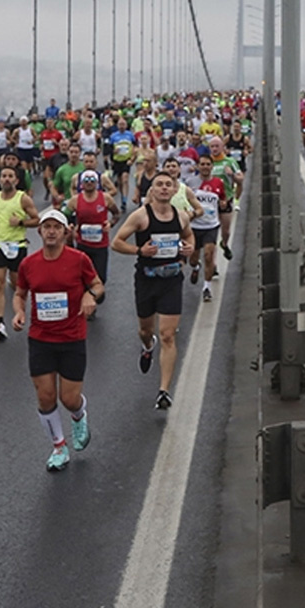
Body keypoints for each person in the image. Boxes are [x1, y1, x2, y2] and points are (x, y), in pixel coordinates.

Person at [12, 210, 105, 471]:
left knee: (69, 398)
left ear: (66, 232)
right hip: (40, 339)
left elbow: (98, 285)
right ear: (39, 232)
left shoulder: (79, 260)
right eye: (46, 227)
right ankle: (58, 447)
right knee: (45, 396)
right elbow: (20, 293)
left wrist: (90, 296)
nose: (51, 231)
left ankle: (78, 415)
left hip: (72, 338)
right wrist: (19, 311)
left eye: (56, 227)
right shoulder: (28, 264)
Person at [111, 171, 196, 409]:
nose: (164, 188)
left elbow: (188, 236)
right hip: (146, 280)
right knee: (145, 330)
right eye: (159, 184)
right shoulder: (141, 216)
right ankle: (148, 345)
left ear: (175, 188)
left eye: (168, 184)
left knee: (168, 335)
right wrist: (139, 252)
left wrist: (188, 250)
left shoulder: (181, 216)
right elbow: (116, 242)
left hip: (171, 280)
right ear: (152, 189)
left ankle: (163, 391)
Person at [0, 167, 40, 341]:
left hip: (18, 245)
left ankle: (20, 312)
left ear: (16, 180)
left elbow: (37, 220)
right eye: (3, 176)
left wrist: (20, 222)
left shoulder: (23, 198)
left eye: (10, 176)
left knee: (17, 285)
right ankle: (0, 324)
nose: (6, 179)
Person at [64, 168, 120, 298]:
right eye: (86, 181)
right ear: (81, 184)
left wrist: (110, 223)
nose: (89, 183)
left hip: (101, 244)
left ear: (97, 183)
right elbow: (65, 217)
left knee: (101, 277)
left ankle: (95, 296)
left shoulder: (105, 198)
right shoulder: (75, 200)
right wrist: (72, 226)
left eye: (92, 180)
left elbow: (116, 214)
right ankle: (89, 302)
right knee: (83, 276)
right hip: (83, 244)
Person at [187, 154, 228, 302]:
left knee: (209, 256)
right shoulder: (191, 182)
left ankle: (206, 287)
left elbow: (223, 198)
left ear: (212, 166)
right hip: (194, 226)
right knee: (193, 259)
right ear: (198, 166)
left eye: (207, 164)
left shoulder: (218, 182)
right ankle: (196, 267)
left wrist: (223, 203)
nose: (205, 167)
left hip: (211, 225)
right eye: (202, 164)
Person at [208, 136, 244, 259]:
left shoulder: (230, 162)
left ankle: (224, 244)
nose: (214, 149)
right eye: (212, 146)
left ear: (223, 147)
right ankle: (212, 262)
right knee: (212, 232)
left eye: (217, 146)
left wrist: (232, 175)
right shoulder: (207, 162)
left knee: (226, 231)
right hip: (211, 202)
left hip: (226, 199)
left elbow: (241, 179)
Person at [109, 117, 138, 212]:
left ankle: (125, 201)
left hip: (126, 160)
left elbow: (135, 147)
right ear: (117, 126)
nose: (122, 126)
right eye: (120, 125)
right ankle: (122, 198)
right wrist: (114, 152)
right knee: (120, 181)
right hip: (117, 161)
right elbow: (109, 150)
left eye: (123, 124)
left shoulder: (130, 135)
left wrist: (132, 159)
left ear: (126, 125)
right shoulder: (113, 136)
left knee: (125, 179)